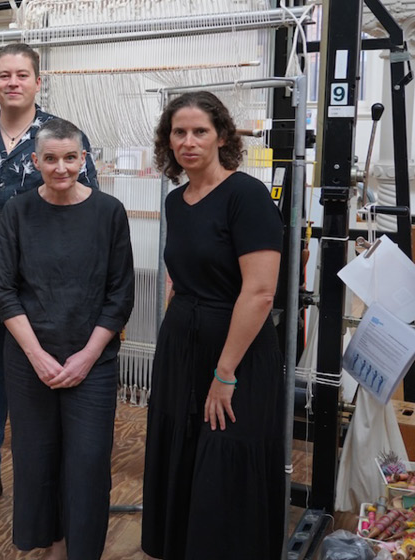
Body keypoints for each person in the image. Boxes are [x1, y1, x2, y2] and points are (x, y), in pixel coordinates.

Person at [0, 41, 100, 511]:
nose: (12, 82)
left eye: (21, 75)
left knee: (48, 385)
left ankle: (52, 484)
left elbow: (87, 210)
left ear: (38, 81)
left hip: (46, 289)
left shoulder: (61, 138)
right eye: (3, 75)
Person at [140, 92, 284, 559]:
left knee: (226, 452)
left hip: (235, 349)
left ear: (222, 135)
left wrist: (225, 374)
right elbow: (178, 276)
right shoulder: (176, 201)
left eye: (199, 130)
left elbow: (260, 292)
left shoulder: (246, 195)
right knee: (181, 445)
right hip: (183, 342)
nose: (188, 141)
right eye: (178, 132)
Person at [0, 118, 134, 560]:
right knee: (37, 458)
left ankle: (81, 548)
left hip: (91, 361)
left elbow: (120, 294)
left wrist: (87, 357)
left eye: (69, 158)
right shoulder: (17, 210)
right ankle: (52, 543)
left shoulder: (109, 212)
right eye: (50, 159)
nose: (60, 168)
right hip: (29, 359)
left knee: (88, 462)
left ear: (84, 159)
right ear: (35, 161)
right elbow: (3, 291)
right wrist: (36, 355)